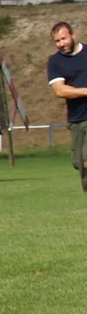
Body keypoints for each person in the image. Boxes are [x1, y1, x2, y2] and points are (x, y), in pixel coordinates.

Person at [46, 21, 87, 192]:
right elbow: (60, 91)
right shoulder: (55, 62)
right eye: (57, 41)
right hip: (77, 118)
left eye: (64, 38)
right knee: (79, 162)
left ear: (73, 35)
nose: (61, 44)